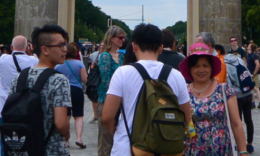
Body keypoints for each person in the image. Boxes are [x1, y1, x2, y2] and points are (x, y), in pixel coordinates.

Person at [101, 23, 192, 156]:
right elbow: (186, 117)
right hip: (166, 149)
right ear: (161, 48)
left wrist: (121, 133)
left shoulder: (122, 73)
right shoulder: (176, 75)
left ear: (134, 46)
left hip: (128, 148)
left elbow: (107, 117)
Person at [7, 24, 73, 156]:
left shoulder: (19, 78)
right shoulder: (59, 80)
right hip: (51, 150)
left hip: (23, 148)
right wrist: (67, 133)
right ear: (45, 50)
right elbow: (60, 124)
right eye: (60, 45)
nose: (65, 49)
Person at [178, 42, 248, 156]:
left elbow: (236, 123)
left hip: (221, 151)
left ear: (211, 68)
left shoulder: (224, 90)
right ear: (190, 69)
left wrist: (243, 152)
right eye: (196, 66)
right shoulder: (183, 92)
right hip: (191, 151)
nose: (201, 70)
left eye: (205, 65)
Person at [96, 26, 127, 156]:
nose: (123, 40)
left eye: (123, 37)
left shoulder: (120, 56)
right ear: (111, 38)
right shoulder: (105, 56)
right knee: (106, 140)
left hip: (119, 101)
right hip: (106, 100)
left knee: (117, 139)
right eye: (120, 37)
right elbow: (105, 81)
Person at [0, 35, 38, 123]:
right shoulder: (34, 61)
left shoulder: (3, 59)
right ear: (27, 47)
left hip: (5, 108)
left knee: (5, 135)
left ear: (11, 47)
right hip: (25, 109)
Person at [222, 44, 254, 153]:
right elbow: (247, 73)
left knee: (237, 122)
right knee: (248, 119)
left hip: (237, 95)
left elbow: (228, 83)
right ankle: (250, 144)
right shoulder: (239, 59)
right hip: (248, 92)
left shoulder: (225, 64)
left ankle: (238, 146)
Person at [57, 42, 89, 149]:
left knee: (66, 116)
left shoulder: (58, 65)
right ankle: (79, 139)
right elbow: (84, 79)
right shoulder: (79, 64)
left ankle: (66, 140)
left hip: (63, 90)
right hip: (77, 90)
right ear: (75, 52)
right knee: (78, 116)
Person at [246, 45, 260, 110]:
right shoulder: (249, 55)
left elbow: (257, 64)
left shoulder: (254, 55)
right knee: (251, 88)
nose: (248, 47)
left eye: (249, 46)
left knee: (255, 88)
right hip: (249, 74)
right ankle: (253, 102)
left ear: (251, 48)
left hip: (253, 74)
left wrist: (254, 73)